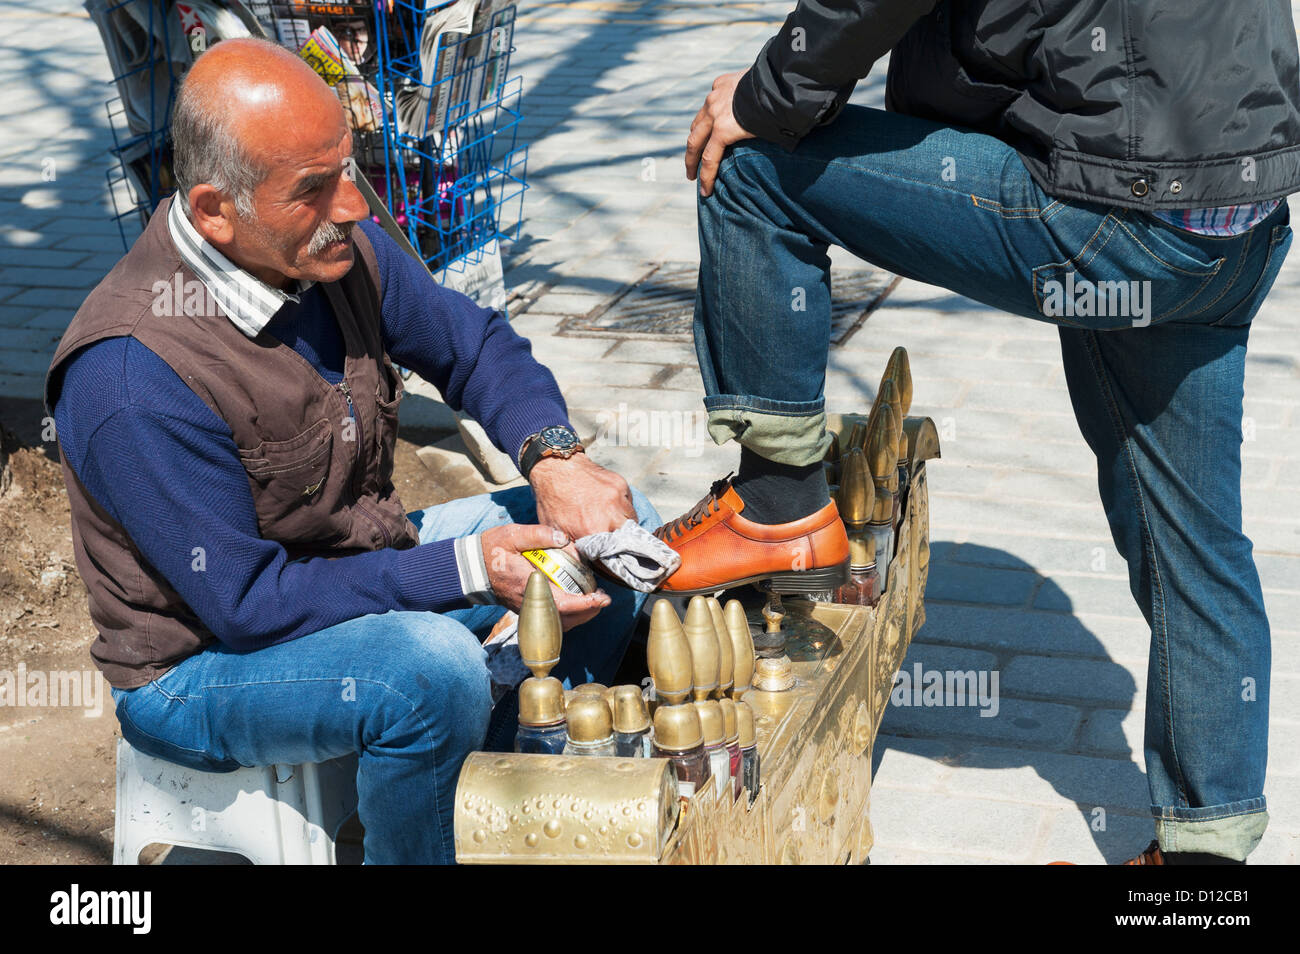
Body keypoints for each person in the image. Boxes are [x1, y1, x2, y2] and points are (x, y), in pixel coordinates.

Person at [661, 0, 1299, 864]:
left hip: (1121, 208)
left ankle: (778, 507)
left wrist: (767, 93)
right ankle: (1202, 868)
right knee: (1195, 543)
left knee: (754, 164)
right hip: (1234, 218)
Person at [45, 37, 657, 865]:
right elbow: (248, 605)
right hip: (204, 667)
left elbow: (471, 346)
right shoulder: (131, 376)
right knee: (429, 672)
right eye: (313, 189)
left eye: (348, 168)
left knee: (616, 528)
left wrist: (556, 459)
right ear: (216, 210)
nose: (354, 206)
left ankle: (512, 785)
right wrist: (470, 569)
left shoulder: (333, 254)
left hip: (357, 567)